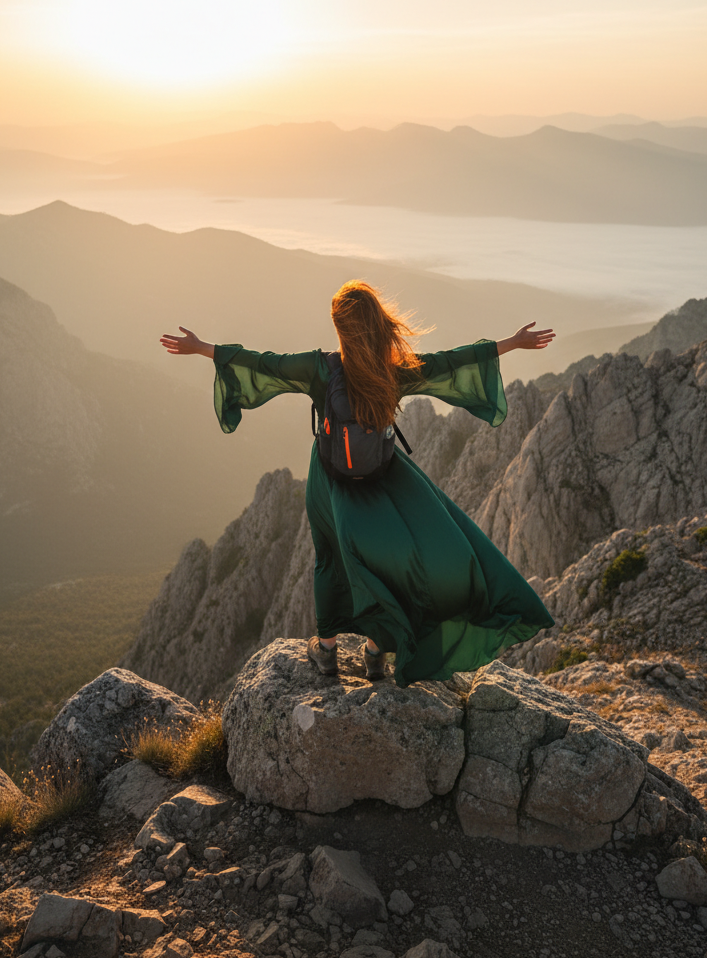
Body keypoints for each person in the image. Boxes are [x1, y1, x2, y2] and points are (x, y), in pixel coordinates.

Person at [160, 280, 555, 688]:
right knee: (381, 564)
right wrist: (511, 343)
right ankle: (373, 655)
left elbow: (264, 364)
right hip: (384, 478)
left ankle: (327, 652)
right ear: (377, 324)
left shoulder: (320, 368)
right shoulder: (394, 370)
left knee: (330, 558)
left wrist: (203, 348)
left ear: (341, 329)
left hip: (330, 481)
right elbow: (449, 363)